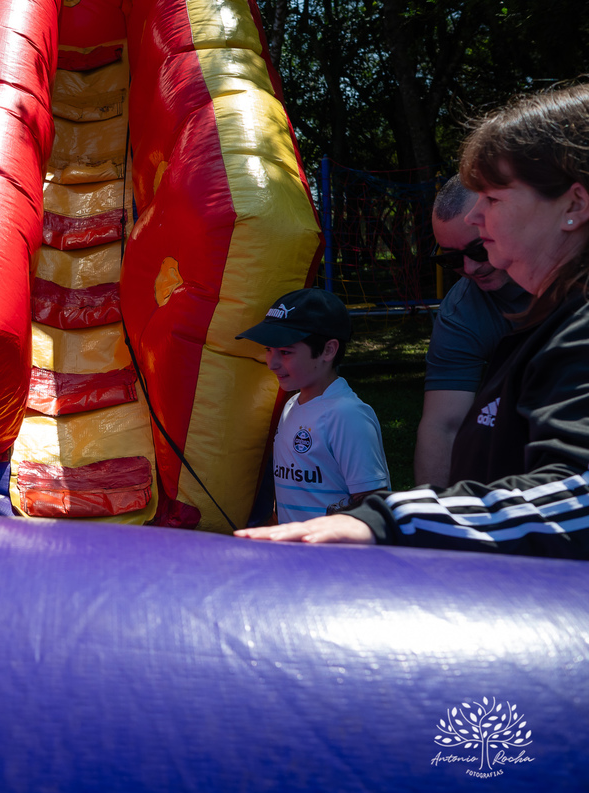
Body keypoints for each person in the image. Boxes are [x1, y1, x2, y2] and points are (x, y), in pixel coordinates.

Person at [236, 82, 589, 559]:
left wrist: (391, 520)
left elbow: (578, 494)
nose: (478, 218)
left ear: (574, 206)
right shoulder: (538, 319)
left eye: (494, 198)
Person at [236, 287, 390, 523]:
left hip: (335, 557)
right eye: (269, 350)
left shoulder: (347, 415)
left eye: (286, 352)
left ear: (328, 350)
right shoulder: (290, 407)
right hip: (295, 555)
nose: (272, 363)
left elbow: (373, 505)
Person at [414, 176, 530, 486]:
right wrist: (432, 517)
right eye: (451, 259)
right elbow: (443, 425)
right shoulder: (462, 310)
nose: (469, 268)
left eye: (479, 250)